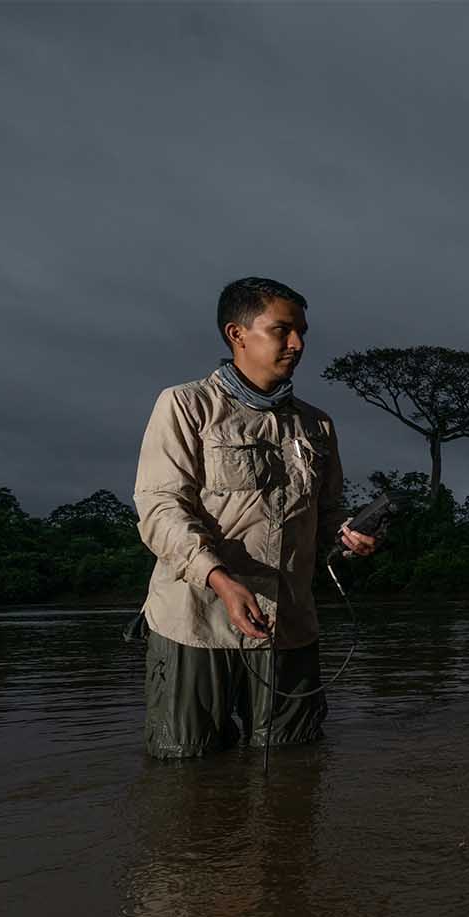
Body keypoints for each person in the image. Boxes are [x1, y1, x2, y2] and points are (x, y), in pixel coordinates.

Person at [132, 277, 378, 758]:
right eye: (282, 330)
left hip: (290, 626)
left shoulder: (317, 423)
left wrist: (348, 536)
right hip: (198, 624)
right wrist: (221, 581)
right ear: (236, 334)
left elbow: (326, 514)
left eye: (302, 331)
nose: (298, 343)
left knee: (294, 765)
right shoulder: (185, 405)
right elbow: (160, 510)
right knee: (186, 773)